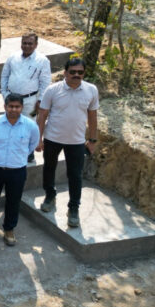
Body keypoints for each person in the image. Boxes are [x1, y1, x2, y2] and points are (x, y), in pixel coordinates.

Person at [36, 58, 99, 228]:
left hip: (77, 141)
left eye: (80, 72)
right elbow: (42, 115)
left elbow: (93, 116)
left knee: (75, 175)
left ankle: (73, 208)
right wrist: (38, 139)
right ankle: (50, 196)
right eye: (73, 72)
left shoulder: (91, 90)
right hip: (52, 138)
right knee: (49, 168)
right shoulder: (52, 90)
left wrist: (92, 140)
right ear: (65, 73)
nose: (76, 75)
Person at [0, 94, 40, 245]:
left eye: (17, 107)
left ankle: (9, 228)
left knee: (14, 200)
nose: (14, 109)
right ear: (5, 107)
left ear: (22, 107)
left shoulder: (30, 126)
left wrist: (18, 157)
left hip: (17, 170)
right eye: (11, 106)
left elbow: (32, 145)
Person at [0, 33, 51, 162]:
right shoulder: (13, 57)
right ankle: (11, 149)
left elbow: (45, 82)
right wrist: (4, 93)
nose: (27, 46)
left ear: (36, 45)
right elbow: (4, 76)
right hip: (11, 98)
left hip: (30, 101)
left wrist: (40, 99)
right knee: (10, 123)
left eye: (30, 43)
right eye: (24, 43)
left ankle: (28, 152)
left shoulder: (42, 60)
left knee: (29, 125)